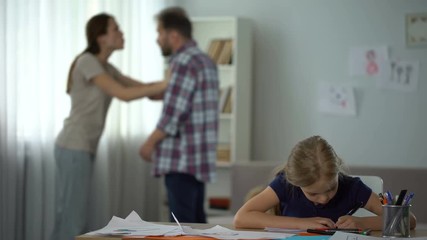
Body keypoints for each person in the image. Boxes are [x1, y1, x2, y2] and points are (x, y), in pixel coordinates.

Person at [51, 13, 168, 240]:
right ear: (101, 37)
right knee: (72, 220)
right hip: (73, 146)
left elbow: (145, 89)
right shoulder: (87, 62)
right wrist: (167, 83)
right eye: (116, 29)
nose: (122, 33)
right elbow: (123, 94)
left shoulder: (106, 67)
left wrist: (170, 86)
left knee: (69, 216)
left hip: (80, 148)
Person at [233, 135, 417, 230]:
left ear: (338, 173)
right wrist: (301, 224)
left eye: (330, 188)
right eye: (313, 193)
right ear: (296, 183)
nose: (323, 199)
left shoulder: (353, 188)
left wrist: (364, 223)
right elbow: (241, 218)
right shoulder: (284, 184)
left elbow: (408, 220)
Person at [139, 7, 219, 223]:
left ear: (173, 35)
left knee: (181, 228)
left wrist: (149, 143)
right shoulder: (205, 61)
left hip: (181, 159)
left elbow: (173, 114)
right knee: (196, 225)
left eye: (159, 33)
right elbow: (190, 102)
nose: (157, 39)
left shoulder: (183, 62)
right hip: (198, 158)